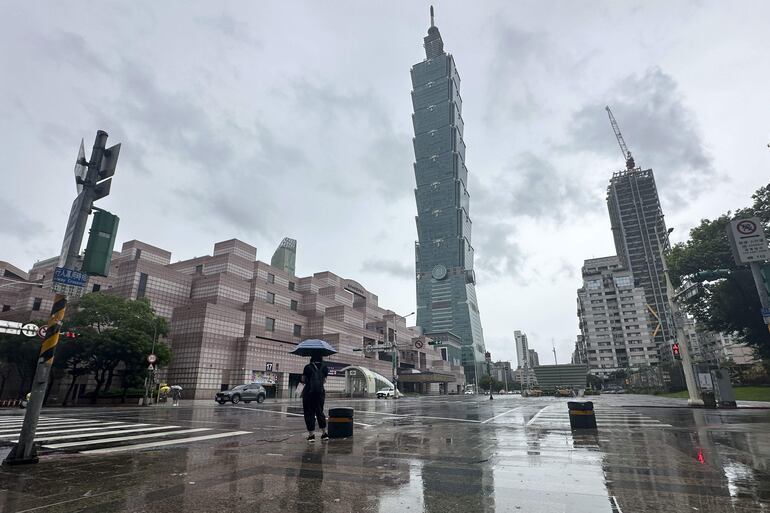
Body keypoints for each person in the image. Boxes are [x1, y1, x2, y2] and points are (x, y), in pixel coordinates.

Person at [301, 355, 329, 441]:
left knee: (309, 413)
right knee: (320, 411)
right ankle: (324, 434)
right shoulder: (325, 368)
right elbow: (324, 381)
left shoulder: (307, 367)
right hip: (320, 393)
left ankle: (311, 435)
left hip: (308, 392)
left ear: (311, 359)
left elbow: (303, 380)